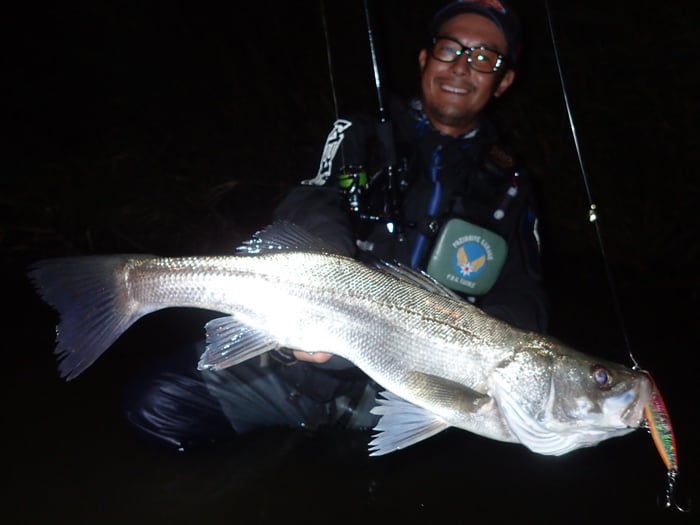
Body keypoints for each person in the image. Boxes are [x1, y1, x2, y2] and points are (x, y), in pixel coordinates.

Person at [122, 0, 550, 452]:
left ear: (504, 81)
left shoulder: (512, 184)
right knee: (157, 403)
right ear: (425, 59)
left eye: (484, 57)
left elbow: (525, 289)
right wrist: (326, 285)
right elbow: (313, 197)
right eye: (450, 49)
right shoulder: (359, 133)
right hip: (294, 359)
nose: (461, 66)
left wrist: (482, 356)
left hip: (407, 393)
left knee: (417, 470)